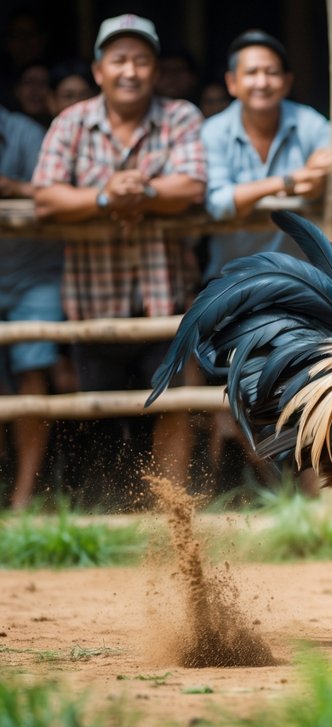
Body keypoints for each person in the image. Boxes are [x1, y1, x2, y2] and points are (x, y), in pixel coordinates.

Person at [31, 14, 206, 490]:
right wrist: (107, 197)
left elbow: (191, 185)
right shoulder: (71, 122)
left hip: (162, 300)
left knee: (170, 408)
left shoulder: (180, 116)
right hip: (93, 303)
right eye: (119, 60)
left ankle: (173, 517)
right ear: (98, 70)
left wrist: (142, 192)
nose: (130, 70)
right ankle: (111, 515)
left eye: (141, 60)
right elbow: (45, 196)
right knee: (101, 418)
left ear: (154, 68)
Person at [202, 30, 331, 279]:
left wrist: (318, 182)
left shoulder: (308, 122)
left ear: (287, 82)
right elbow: (219, 204)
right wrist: (287, 182)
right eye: (251, 73)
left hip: (299, 279)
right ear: (232, 83)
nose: (262, 82)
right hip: (230, 281)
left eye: (271, 72)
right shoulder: (214, 131)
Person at [0, 103, 64, 509]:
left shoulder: (25, 133)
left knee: (32, 370)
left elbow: (52, 192)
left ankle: (23, 496)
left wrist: (10, 187)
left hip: (34, 274)